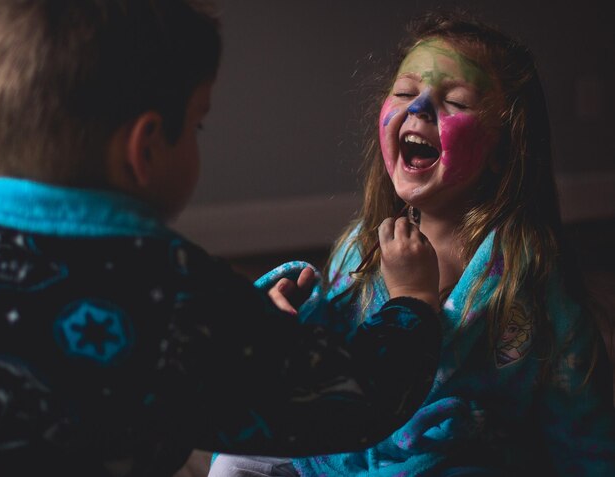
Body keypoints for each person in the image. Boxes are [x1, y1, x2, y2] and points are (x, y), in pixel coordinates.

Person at [0, 1, 445, 476]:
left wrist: (246, 325)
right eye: (196, 124)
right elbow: (354, 399)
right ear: (145, 149)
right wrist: (412, 301)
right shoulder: (171, 291)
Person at [209, 10, 615, 477]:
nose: (419, 108)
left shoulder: (528, 271)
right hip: (349, 451)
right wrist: (290, 324)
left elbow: (579, 410)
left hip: (450, 460)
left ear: (504, 150)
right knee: (234, 462)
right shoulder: (364, 243)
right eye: (404, 93)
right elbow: (332, 357)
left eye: (455, 102)